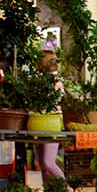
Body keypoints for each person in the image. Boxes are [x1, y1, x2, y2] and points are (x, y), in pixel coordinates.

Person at [33, 50, 66, 180]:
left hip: (51, 122)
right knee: (42, 164)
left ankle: (67, 190)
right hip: (39, 121)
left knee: (48, 162)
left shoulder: (55, 78)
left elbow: (53, 100)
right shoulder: (42, 78)